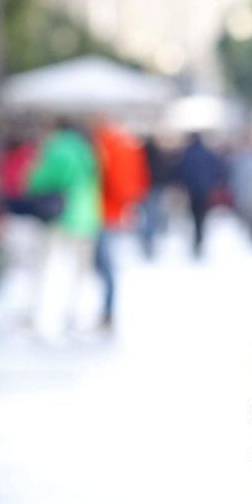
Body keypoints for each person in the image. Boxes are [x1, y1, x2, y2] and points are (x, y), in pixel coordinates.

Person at [26, 120, 101, 339]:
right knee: (80, 270)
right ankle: (74, 313)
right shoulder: (87, 149)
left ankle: (38, 311)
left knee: (46, 265)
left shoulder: (57, 148)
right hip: (86, 215)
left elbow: (39, 180)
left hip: (60, 214)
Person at [92, 119, 149, 330]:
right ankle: (106, 310)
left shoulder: (107, 144)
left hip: (101, 210)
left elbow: (115, 180)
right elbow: (137, 181)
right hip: (111, 211)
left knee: (103, 264)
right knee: (105, 264)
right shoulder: (126, 144)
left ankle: (106, 311)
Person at [174, 131, 225, 259]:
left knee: (194, 215)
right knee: (201, 216)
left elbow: (182, 169)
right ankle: (199, 238)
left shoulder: (188, 153)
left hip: (192, 190)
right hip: (205, 190)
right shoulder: (207, 153)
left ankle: (196, 239)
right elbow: (216, 169)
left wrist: (183, 183)